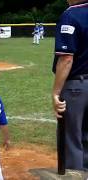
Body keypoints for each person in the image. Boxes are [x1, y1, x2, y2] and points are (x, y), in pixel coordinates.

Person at [52, 0, 88, 171]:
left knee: (72, 138)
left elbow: (66, 58)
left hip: (77, 87)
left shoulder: (70, 14)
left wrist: (55, 93)